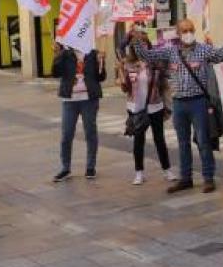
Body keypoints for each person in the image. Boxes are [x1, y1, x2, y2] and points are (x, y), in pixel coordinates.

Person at [131, 18, 223, 194]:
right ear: (178, 34)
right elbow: (147, 56)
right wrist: (137, 40)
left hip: (198, 102)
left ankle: (208, 178)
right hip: (179, 103)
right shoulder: (170, 52)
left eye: (191, 30)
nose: (188, 34)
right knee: (183, 142)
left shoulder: (203, 50)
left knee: (203, 141)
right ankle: (186, 178)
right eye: (185, 31)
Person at [117, 41, 173, 185]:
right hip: (136, 108)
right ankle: (139, 173)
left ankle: (167, 170)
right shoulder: (129, 65)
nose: (142, 47)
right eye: (138, 45)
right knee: (138, 140)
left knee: (159, 139)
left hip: (155, 106)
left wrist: (168, 104)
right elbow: (126, 88)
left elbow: (165, 83)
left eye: (144, 44)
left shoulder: (155, 64)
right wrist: (121, 72)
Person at [51, 41, 106, 182]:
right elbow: (55, 73)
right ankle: (65, 168)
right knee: (66, 135)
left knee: (90, 132)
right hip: (69, 100)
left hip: (89, 99)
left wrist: (101, 61)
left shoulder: (92, 53)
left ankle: (90, 166)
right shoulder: (65, 53)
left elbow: (101, 77)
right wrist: (57, 54)